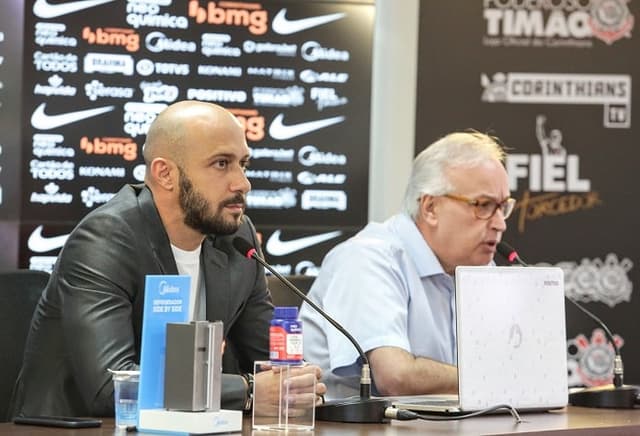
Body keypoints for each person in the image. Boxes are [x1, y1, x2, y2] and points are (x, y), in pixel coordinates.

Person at [10, 100, 324, 418]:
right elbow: (114, 387)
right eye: (221, 164)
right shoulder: (105, 240)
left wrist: (297, 385)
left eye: (243, 164)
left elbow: (272, 360)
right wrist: (248, 390)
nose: (242, 183)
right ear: (165, 174)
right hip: (84, 428)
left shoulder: (236, 239)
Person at [300, 131, 515, 399]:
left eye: (503, 207)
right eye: (483, 205)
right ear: (430, 207)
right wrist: (500, 377)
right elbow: (395, 377)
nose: (500, 224)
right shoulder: (368, 258)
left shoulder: (479, 269)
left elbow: (508, 364)